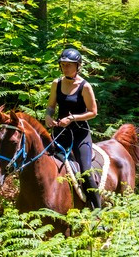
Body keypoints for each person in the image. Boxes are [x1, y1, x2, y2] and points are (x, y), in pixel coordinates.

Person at [45, 48, 101, 210]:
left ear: (78, 66)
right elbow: (50, 106)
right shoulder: (57, 83)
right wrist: (48, 116)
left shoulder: (85, 86)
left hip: (79, 134)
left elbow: (93, 112)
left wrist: (72, 118)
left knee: (86, 173)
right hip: (60, 134)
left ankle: (98, 213)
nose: (65, 68)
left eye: (69, 65)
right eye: (62, 65)